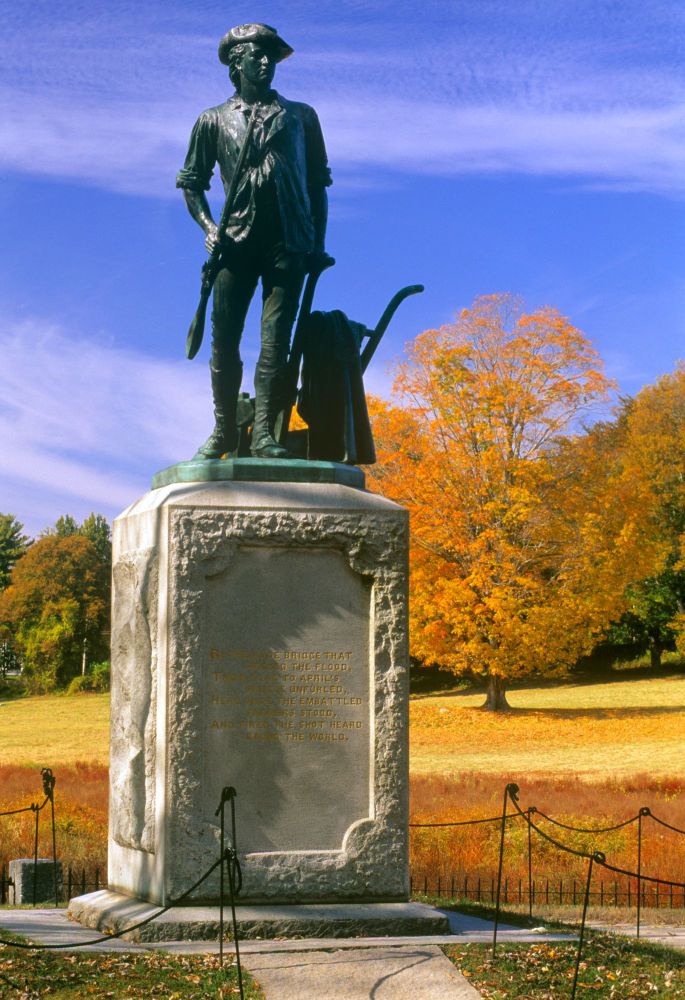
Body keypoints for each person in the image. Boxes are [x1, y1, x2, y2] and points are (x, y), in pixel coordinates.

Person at [176, 23, 332, 460]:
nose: (266, 62)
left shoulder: (302, 117)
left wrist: (318, 244)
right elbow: (191, 183)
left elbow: (318, 185)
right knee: (224, 339)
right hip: (235, 242)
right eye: (256, 55)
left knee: (275, 341)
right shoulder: (212, 120)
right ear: (235, 64)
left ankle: (264, 433)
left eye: (270, 55)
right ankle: (225, 429)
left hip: (289, 240)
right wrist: (209, 227)